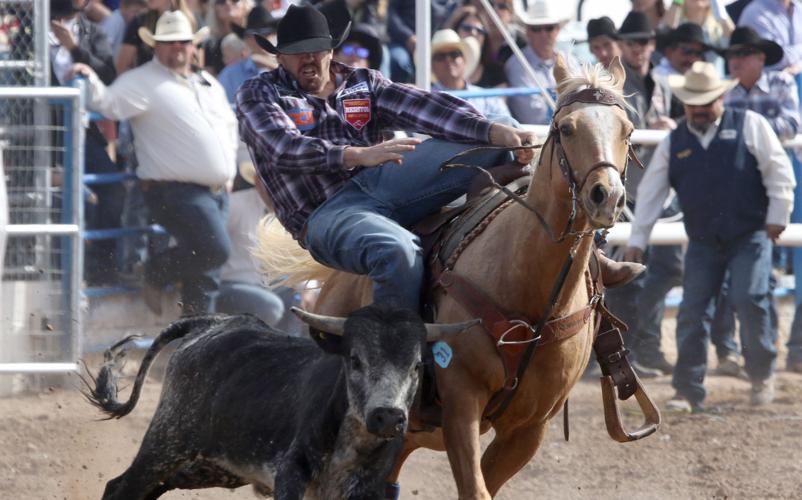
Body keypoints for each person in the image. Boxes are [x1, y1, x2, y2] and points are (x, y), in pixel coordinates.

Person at [625, 61, 796, 411]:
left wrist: (778, 215)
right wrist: (636, 240)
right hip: (704, 240)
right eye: (692, 103)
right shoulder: (676, 140)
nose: (698, 109)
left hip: (749, 233)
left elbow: (779, 171)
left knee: (748, 300)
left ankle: (760, 373)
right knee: (692, 311)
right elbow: (651, 194)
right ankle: (688, 388)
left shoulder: (750, 125)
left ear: (720, 98)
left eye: (704, 102)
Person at [71, 10, 237, 316]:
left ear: (193, 45)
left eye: (183, 41)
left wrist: (229, 172)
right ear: (156, 46)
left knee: (206, 274)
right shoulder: (142, 80)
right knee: (214, 252)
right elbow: (106, 103)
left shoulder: (208, 83)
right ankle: (157, 271)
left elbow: (229, 128)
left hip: (213, 191)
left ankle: (195, 342)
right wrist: (87, 74)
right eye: (169, 42)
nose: (178, 47)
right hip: (175, 190)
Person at [709, 26, 800, 375]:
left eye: (742, 54)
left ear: (761, 58)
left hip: (773, 191)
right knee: (748, 278)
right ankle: (750, 352)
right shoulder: (726, 91)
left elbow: (794, 121)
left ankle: (758, 351)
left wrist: (746, 136)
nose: (735, 61)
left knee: (759, 278)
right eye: (732, 55)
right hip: (741, 193)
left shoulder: (780, 84)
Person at [604, 10, 680, 377]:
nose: (640, 48)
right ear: (622, 45)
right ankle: (625, 351)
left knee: (663, 270)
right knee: (625, 276)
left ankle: (643, 346)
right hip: (626, 193)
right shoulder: (613, 84)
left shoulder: (662, 83)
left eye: (645, 41)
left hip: (654, 193)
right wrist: (657, 128)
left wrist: (670, 128)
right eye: (633, 42)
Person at [504, 0, 569, 125]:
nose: (543, 34)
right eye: (536, 29)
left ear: (557, 30)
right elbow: (533, 116)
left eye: (549, 28)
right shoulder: (517, 65)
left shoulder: (569, 60)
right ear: (527, 32)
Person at [430, 29, 511, 119]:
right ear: (432, 66)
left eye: (454, 54)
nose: (448, 60)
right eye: (440, 57)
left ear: (464, 60)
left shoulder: (488, 98)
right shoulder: (426, 100)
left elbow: (508, 124)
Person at [217, 5, 278, 103]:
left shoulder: (290, 68)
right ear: (245, 39)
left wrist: (273, 67)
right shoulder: (229, 75)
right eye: (252, 35)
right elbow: (225, 110)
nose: (258, 40)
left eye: (265, 33)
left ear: (275, 35)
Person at [739, 0, 802, 73]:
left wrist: (799, 66)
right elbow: (774, 57)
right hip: (766, 81)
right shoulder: (755, 12)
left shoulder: (799, 9)